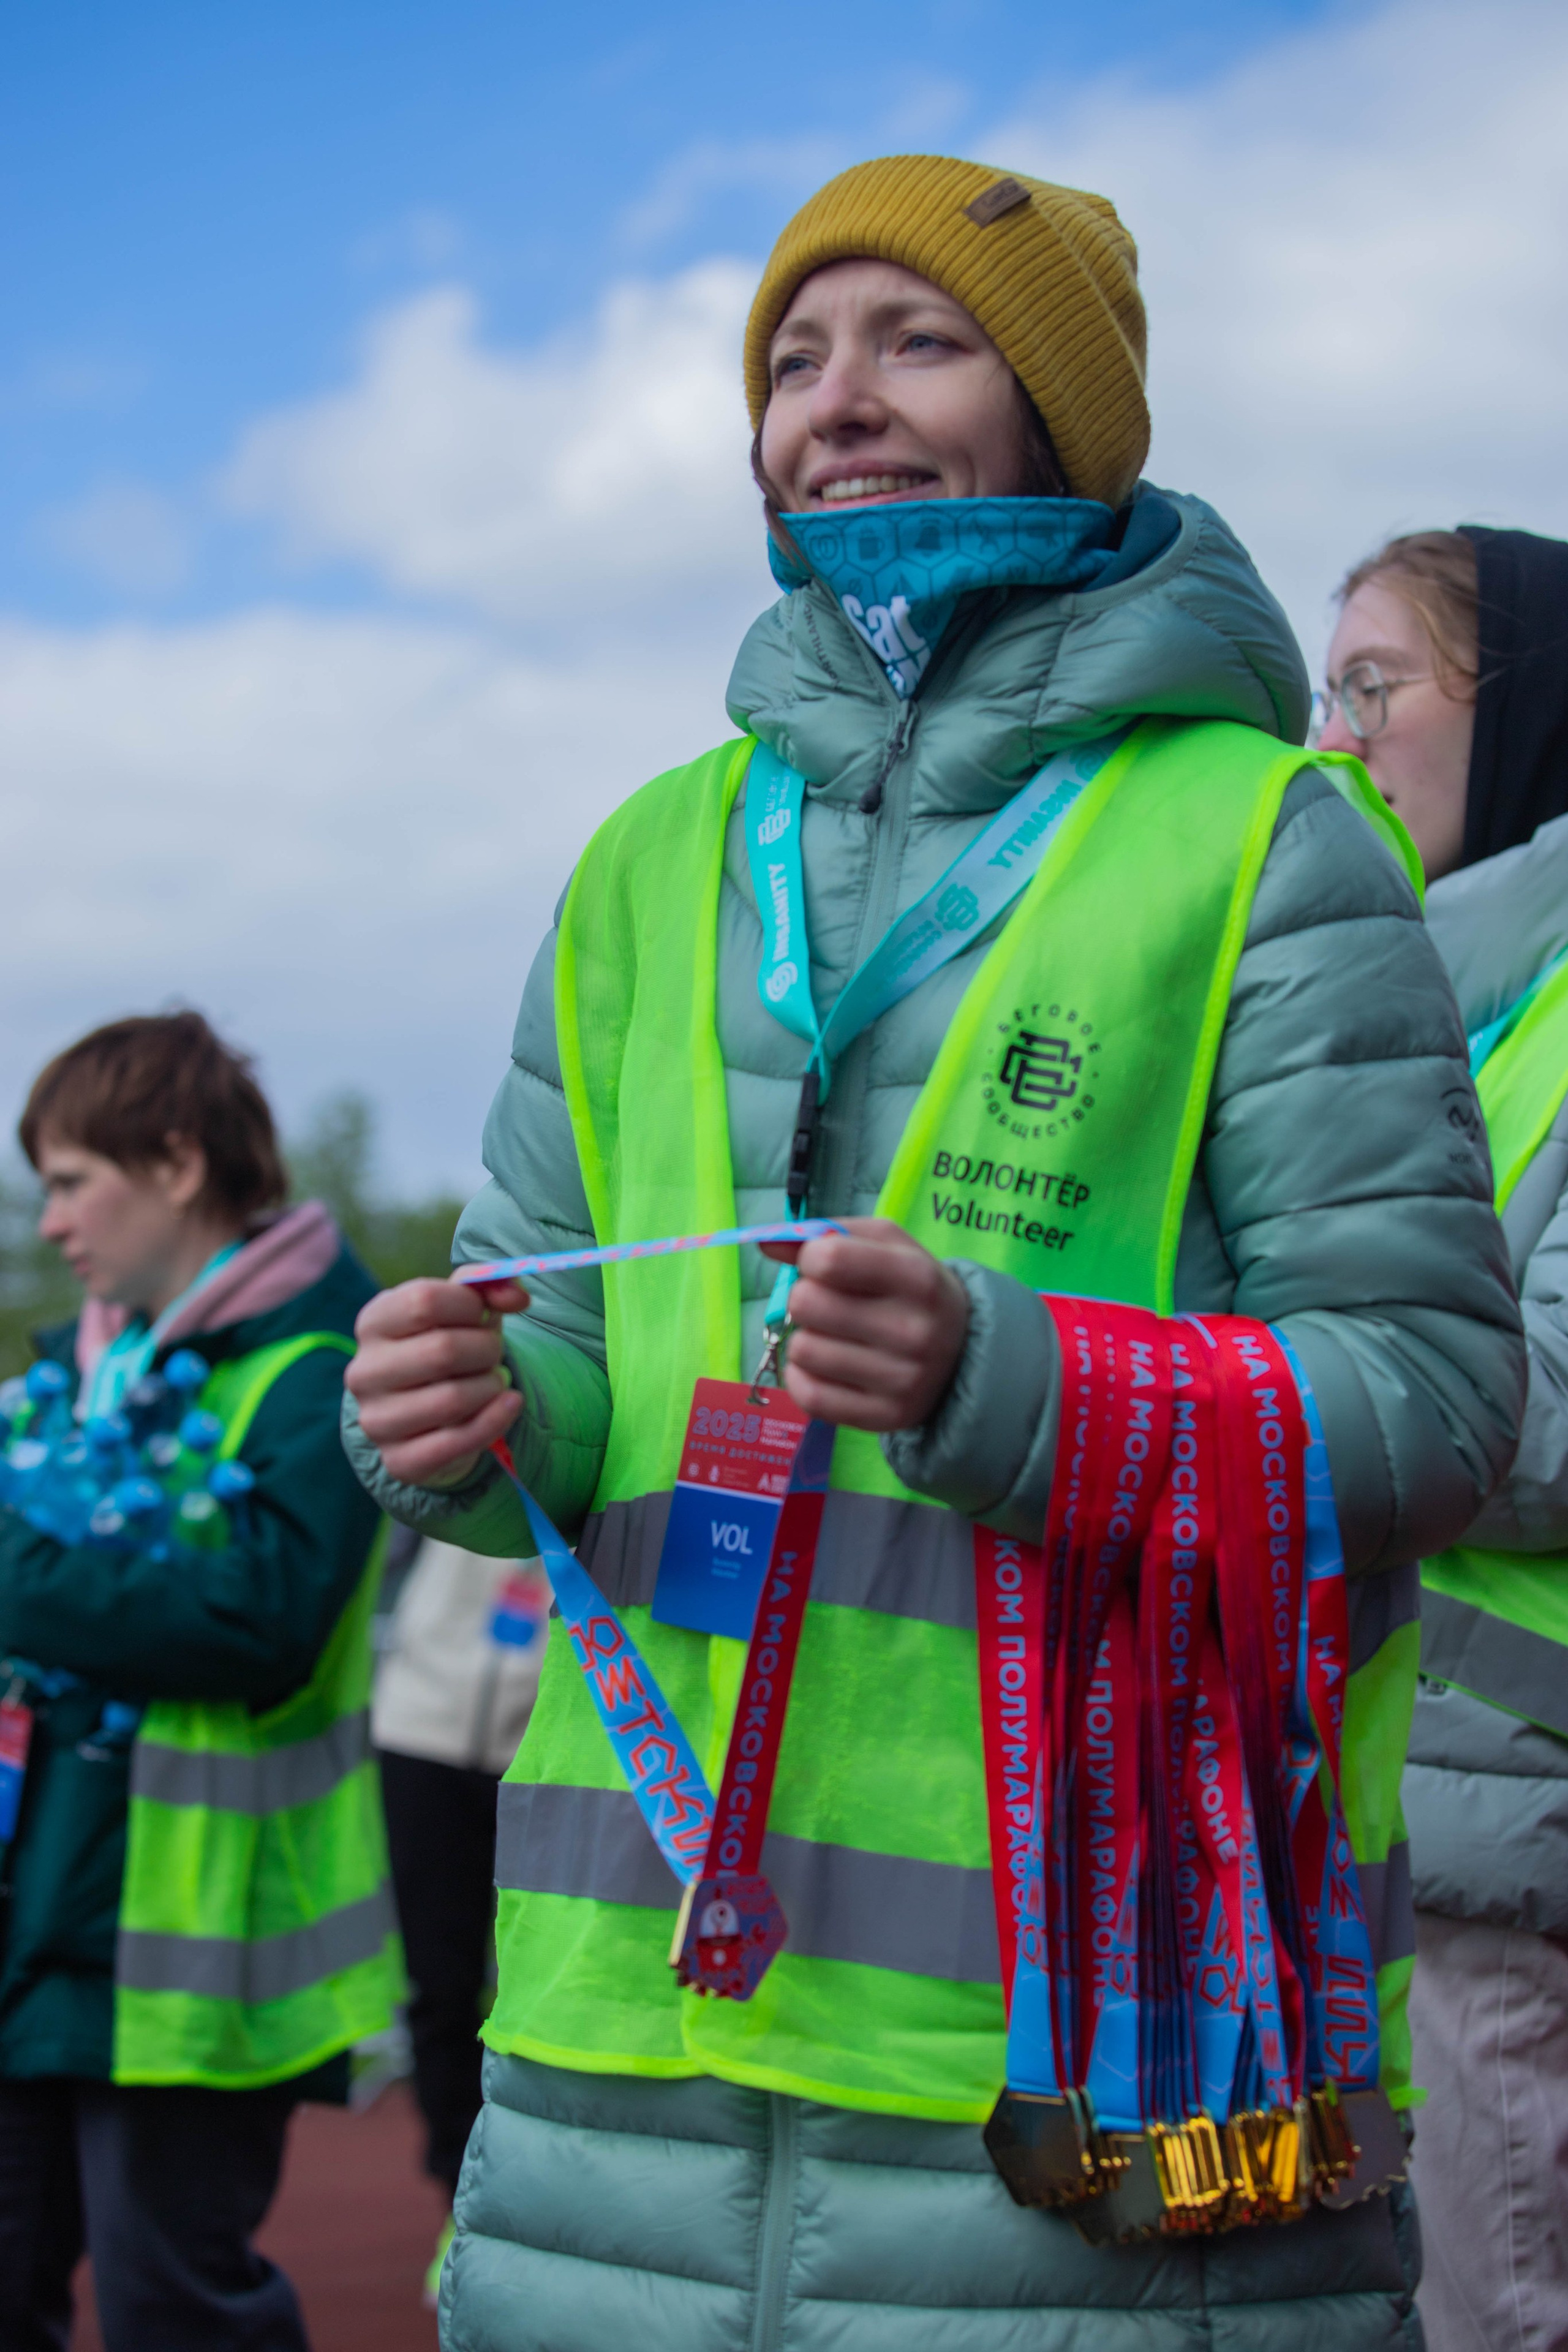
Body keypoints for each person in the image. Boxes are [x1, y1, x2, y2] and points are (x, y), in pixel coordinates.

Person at [344, 156, 1525, 2351]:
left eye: (915, 338)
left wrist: (1015, 1381)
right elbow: (568, 1331)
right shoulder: (645, 855)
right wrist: (473, 1408)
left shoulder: (1260, 836)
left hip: (1111, 2047)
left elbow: (1436, 1405)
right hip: (626, 2028)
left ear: (1068, 414)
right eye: (790, 358)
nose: (834, 399)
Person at [0, 1012, 400, 2352]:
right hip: (35, 1915)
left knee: (174, 2302)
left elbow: (255, 1619)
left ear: (175, 1162)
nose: (51, 1221)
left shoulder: (324, 1367)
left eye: (69, 1180)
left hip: (192, 1957)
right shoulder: (79, 1370)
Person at [1318, 526, 1568, 2352]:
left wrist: (1271, 1387)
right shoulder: (1436, 1016)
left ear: (1528, 715)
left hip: (1517, 1846)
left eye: (1373, 687)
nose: (1330, 746)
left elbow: (1537, 1418)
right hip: (1409, 1830)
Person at [372, 1534, 547, 2301]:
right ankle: (460, 2199)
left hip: (557, 1736)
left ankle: (535, 2206)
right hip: (424, 1726)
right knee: (438, 1989)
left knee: (539, 1995)